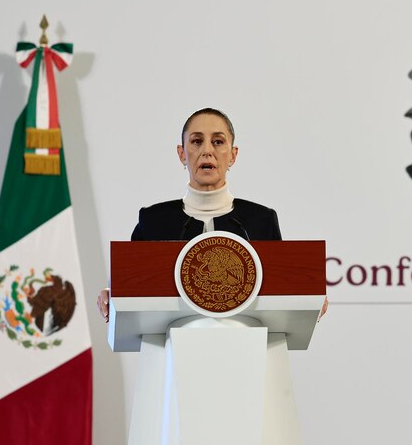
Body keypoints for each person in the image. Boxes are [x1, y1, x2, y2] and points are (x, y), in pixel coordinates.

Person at [96, 107, 328, 320]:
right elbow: (133, 286)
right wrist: (114, 296)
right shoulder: (153, 220)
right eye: (196, 141)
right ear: (182, 154)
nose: (207, 151)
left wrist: (307, 298)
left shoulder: (260, 220)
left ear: (233, 155)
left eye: (218, 142)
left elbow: (281, 288)